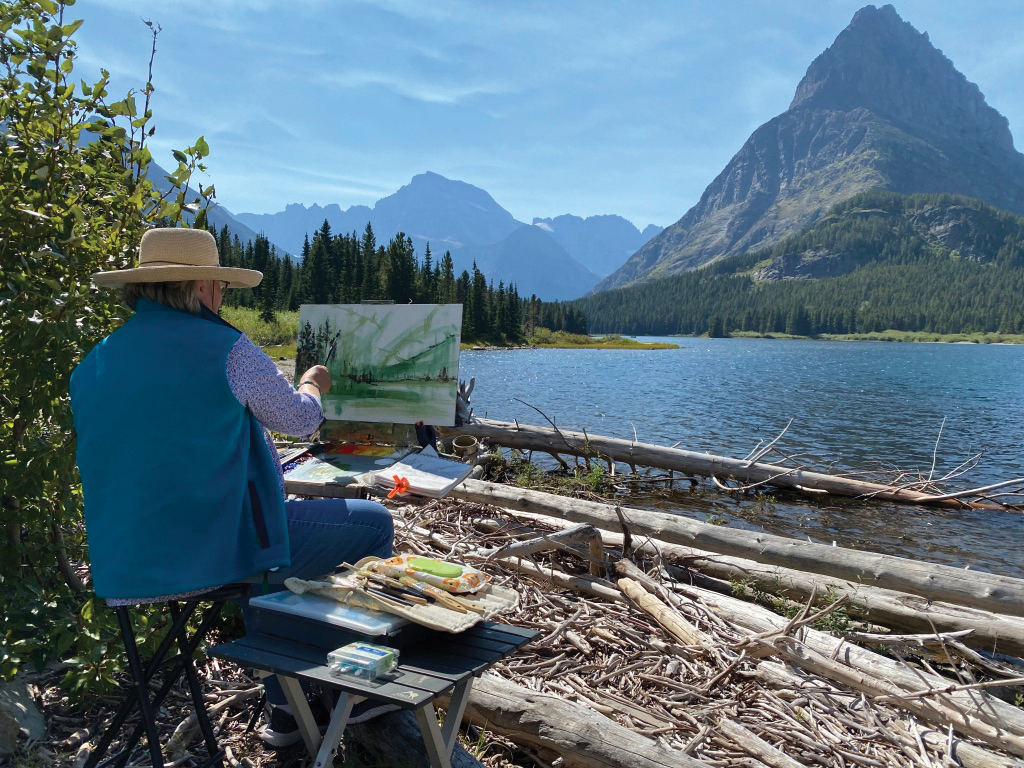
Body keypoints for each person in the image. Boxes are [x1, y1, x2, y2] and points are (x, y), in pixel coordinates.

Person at [69, 227, 396, 747]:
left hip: (126, 565)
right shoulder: (227, 349)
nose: (221, 297)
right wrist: (314, 381)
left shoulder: (93, 364)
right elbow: (298, 420)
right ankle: (348, 691)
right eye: (219, 286)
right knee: (371, 526)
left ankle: (286, 712)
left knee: (259, 540)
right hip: (213, 556)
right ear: (201, 286)